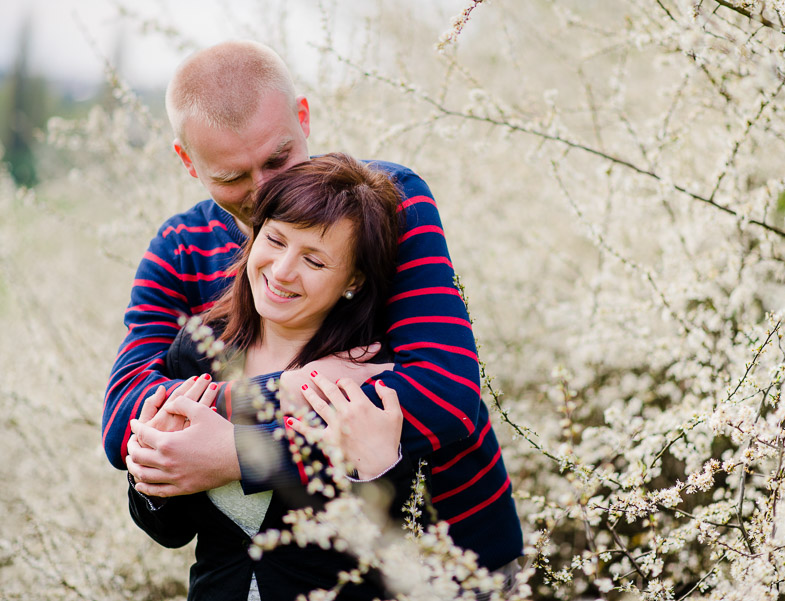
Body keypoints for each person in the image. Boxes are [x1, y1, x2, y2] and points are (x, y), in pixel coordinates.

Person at [103, 40, 522, 577]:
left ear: (303, 117)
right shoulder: (179, 250)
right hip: (282, 573)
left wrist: (235, 452)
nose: (265, 190)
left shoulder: (387, 203)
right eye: (232, 177)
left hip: (452, 556)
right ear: (188, 161)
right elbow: (124, 422)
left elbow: (445, 393)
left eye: (278, 158)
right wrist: (295, 389)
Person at [130, 154, 420, 600]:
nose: (283, 271)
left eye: (315, 261)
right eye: (276, 240)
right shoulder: (198, 350)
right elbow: (170, 533)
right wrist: (152, 471)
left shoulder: (371, 374)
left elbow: (397, 544)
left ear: (354, 280)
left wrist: (378, 470)